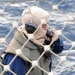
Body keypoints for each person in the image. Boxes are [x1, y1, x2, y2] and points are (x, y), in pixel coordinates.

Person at [4, 6, 63, 75]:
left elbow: (58, 49)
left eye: (48, 24)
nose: (47, 28)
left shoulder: (41, 38)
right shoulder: (16, 56)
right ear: (31, 28)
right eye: (44, 26)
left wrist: (55, 40)